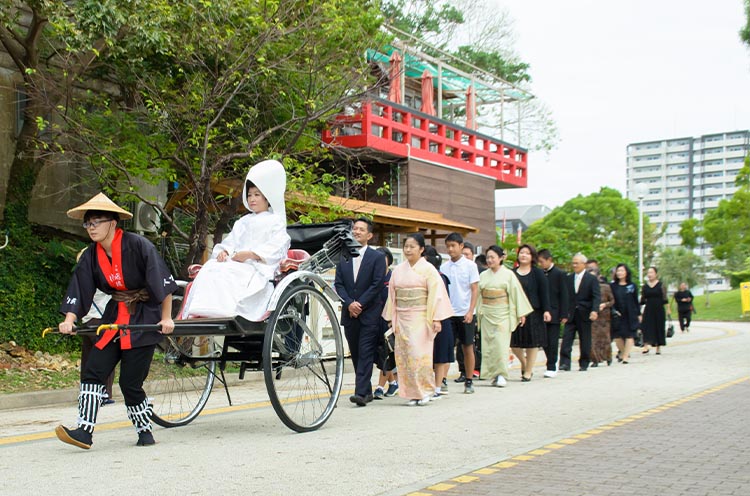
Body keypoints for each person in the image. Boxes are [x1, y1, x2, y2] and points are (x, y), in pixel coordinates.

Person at [55, 193, 177, 449]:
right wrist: (69, 319)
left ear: (113, 223)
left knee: (129, 383)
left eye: (97, 222)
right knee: (93, 371)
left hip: (144, 315)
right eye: (88, 223)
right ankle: (84, 432)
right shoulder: (91, 254)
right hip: (114, 317)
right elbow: (79, 287)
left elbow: (162, 283)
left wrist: (167, 318)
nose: (91, 228)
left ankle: (145, 430)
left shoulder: (139, 245)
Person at [181, 160, 290, 321]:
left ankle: (224, 312)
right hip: (236, 261)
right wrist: (224, 252)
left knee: (232, 273)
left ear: (266, 198)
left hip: (257, 266)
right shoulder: (243, 221)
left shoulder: (276, 221)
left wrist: (251, 254)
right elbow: (230, 242)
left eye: (257, 195)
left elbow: (278, 245)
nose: (252, 199)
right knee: (212, 267)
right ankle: (203, 310)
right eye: (250, 195)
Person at [382, 233, 453, 405]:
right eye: (406, 246)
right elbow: (392, 295)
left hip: (421, 317)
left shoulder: (429, 270)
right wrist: (392, 317)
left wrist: (436, 319)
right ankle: (412, 393)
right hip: (402, 317)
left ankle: (425, 391)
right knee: (405, 356)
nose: (408, 250)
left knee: (419, 354)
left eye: (412, 246)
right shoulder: (398, 270)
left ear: (421, 249)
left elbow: (436, 295)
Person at [334, 217, 387, 406]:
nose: (356, 232)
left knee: (365, 352)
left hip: (369, 313)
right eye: (354, 228)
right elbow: (338, 284)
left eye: (361, 229)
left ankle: (361, 393)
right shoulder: (344, 256)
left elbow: (377, 284)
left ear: (369, 235)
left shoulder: (377, 257)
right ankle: (366, 390)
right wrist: (349, 303)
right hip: (349, 313)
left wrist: (360, 304)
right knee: (356, 353)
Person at [477, 245, 533, 387]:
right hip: (487, 313)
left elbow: (516, 294)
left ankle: (502, 374)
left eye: (493, 257)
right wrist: (477, 312)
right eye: (488, 257)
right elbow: (477, 296)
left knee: (501, 345)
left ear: (501, 258)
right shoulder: (483, 276)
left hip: (503, 314)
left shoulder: (508, 275)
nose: (489, 260)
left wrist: (521, 313)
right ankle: (492, 374)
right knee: (488, 345)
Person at [441, 232, 480, 393]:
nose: (450, 249)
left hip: (465, 313)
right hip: (449, 313)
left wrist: (471, 311)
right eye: (448, 246)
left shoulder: (470, 266)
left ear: (461, 246)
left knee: (467, 347)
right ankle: (442, 379)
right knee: (446, 347)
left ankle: (469, 380)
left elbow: (474, 289)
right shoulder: (444, 267)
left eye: (453, 246)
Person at [510, 244, 551, 381]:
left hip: (534, 312)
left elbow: (544, 293)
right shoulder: (512, 273)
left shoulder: (537, 273)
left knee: (532, 342)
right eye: (522, 252)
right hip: (516, 312)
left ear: (532, 256)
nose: (524, 255)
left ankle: (528, 371)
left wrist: (547, 310)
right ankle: (524, 362)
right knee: (513, 343)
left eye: (527, 253)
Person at [559, 253, 600, 372]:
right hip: (571, 313)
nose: (574, 265)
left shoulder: (591, 279)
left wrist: (594, 310)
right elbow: (565, 297)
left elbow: (596, 296)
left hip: (585, 312)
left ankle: (584, 362)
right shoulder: (568, 278)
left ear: (584, 264)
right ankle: (565, 363)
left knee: (585, 339)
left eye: (577, 263)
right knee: (567, 338)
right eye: (573, 263)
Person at [424, 245, 454, 399]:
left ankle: (438, 385)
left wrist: (437, 318)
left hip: (440, 318)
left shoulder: (439, 276)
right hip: (423, 319)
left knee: (440, 354)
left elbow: (442, 301)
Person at [537, 249, 568, 378]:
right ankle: (549, 361)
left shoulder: (559, 274)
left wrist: (564, 313)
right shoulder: (539, 273)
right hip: (541, 311)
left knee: (553, 340)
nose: (540, 264)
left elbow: (564, 294)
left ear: (549, 260)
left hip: (555, 311)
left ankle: (552, 365)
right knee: (543, 340)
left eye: (542, 261)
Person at [373, 246, 399, 400]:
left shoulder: (393, 279)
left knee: (386, 354)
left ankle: (379, 387)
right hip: (374, 320)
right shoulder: (373, 278)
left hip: (388, 321)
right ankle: (393, 382)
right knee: (379, 355)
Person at [609, 263, 640, 364]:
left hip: (630, 313)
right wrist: (613, 310)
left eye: (622, 270)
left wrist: (639, 314)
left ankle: (625, 356)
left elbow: (636, 301)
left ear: (626, 272)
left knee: (630, 335)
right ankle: (623, 352)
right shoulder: (612, 286)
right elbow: (610, 300)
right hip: (617, 314)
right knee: (617, 335)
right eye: (618, 271)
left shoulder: (632, 286)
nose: (620, 273)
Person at [586, 260, 615, 367]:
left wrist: (604, 305)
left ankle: (608, 357)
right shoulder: (587, 288)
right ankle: (595, 359)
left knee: (605, 338)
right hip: (593, 315)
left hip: (604, 317)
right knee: (593, 339)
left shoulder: (605, 287)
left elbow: (612, 301)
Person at [641, 266, 670, 354]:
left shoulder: (661, 285)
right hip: (648, 308)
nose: (649, 274)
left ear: (656, 274)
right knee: (646, 326)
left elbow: (665, 298)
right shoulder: (645, 286)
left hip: (659, 308)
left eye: (651, 272)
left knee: (659, 326)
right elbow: (642, 299)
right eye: (648, 273)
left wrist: (668, 309)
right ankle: (646, 345)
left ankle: (658, 346)